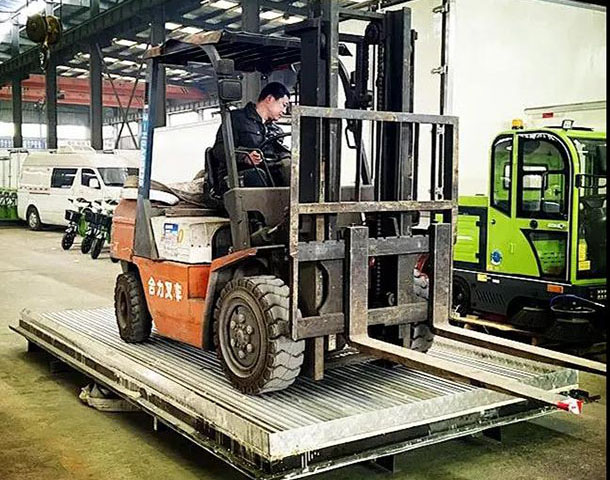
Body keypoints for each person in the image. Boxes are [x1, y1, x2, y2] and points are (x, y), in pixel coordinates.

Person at [209, 82, 291, 196]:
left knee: (290, 169)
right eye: (284, 105)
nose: (285, 111)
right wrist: (244, 157)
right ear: (270, 99)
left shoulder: (275, 130)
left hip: (267, 170)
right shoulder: (236, 119)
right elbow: (219, 149)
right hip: (237, 175)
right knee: (257, 175)